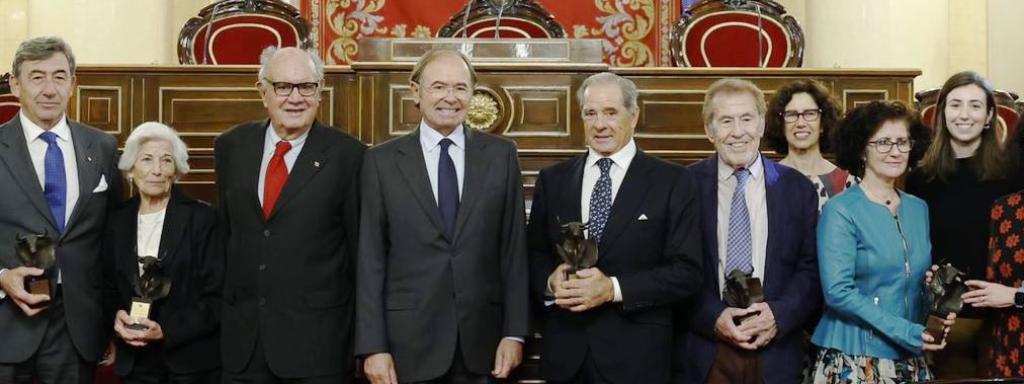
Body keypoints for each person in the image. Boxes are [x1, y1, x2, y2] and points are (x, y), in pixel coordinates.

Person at [356, 48, 529, 384]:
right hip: (406, 346)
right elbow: (370, 259)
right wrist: (372, 346)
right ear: (415, 92)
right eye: (438, 86)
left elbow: (513, 251)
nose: (450, 97)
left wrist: (515, 333)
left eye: (460, 88)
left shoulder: (501, 156)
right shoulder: (381, 162)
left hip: (483, 345)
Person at [527, 72, 703, 384]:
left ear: (633, 116)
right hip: (566, 357)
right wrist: (551, 281)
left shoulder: (672, 181)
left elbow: (687, 271)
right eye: (590, 113)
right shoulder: (553, 180)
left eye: (611, 113)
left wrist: (613, 289)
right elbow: (534, 254)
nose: (599, 124)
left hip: (637, 360)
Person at [215, 46, 366, 382]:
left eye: (307, 87)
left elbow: (361, 257)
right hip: (243, 348)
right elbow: (227, 239)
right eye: (283, 87)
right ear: (263, 92)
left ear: (320, 90)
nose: (295, 97)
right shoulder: (231, 148)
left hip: (317, 350)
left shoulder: (349, 156)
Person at [676, 78, 821, 384]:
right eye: (726, 120)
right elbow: (674, 268)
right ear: (709, 130)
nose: (738, 132)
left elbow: (809, 270)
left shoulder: (797, 189)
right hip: (706, 352)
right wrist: (712, 317)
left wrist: (778, 317)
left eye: (746, 119)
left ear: (761, 125)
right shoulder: (683, 187)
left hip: (776, 353)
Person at [0, 36, 123, 384]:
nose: (49, 89)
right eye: (36, 77)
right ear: (15, 84)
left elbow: (112, 241)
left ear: (73, 83)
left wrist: (111, 317)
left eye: (59, 76)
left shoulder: (101, 147)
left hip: (77, 330)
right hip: (6, 324)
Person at [808, 100, 952, 383]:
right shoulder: (841, 210)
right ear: (862, 148)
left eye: (902, 142)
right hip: (855, 357)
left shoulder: (918, 208)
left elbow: (908, 278)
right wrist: (907, 331)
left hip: (910, 355)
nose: (895, 151)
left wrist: (936, 301)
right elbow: (838, 292)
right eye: (883, 142)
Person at [905, 71, 1022, 379]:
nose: (964, 115)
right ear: (941, 115)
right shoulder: (919, 178)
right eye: (955, 105)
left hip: (1002, 315)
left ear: (988, 117)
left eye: (975, 106)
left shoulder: (1012, 175)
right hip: (944, 316)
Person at [101, 122, 221, 383]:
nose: (156, 170)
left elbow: (218, 296)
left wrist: (166, 329)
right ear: (131, 169)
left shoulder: (203, 218)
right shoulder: (115, 222)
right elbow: (107, 287)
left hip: (190, 365)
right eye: (146, 159)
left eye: (166, 161)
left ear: (176, 171)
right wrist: (116, 316)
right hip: (135, 363)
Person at [765, 80, 857, 210]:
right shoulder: (765, 181)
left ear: (823, 123)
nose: (801, 123)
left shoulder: (848, 184)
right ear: (781, 124)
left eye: (810, 114)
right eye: (791, 115)